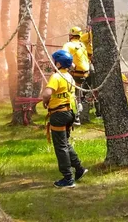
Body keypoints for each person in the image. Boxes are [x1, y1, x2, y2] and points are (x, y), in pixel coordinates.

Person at [42, 50, 88, 188]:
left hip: (59, 115)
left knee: (60, 146)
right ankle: (79, 169)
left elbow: (47, 93)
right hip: (69, 113)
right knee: (65, 143)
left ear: (59, 63)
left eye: (54, 61)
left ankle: (68, 178)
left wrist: (45, 99)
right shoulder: (69, 76)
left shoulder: (56, 76)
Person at [63, 26, 90, 125]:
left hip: (75, 72)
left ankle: (75, 117)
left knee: (71, 94)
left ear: (71, 35)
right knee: (78, 95)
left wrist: (70, 65)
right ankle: (77, 113)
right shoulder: (82, 45)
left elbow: (63, 56)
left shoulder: (68, 45)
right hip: (84, 73)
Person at [80, 27, 101, 119]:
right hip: (88, 66)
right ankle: (90, 112)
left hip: (92, 66)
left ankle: (98, 112)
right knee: (90, 90)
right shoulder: (85, 37)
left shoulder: (90, 37)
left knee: (95, 90)